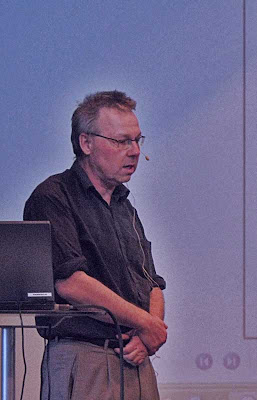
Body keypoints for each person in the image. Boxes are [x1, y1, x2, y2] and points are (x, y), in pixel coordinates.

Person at [23, 90, 167, 400]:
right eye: (121, 141)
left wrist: (149, 333)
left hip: (137, 359)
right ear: (86, 143)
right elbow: (71, 283)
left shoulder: (124, 207)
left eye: (137, 140)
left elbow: (152, 282)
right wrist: (146, 323)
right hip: (85, 358)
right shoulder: (53, 197)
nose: (134, 151)